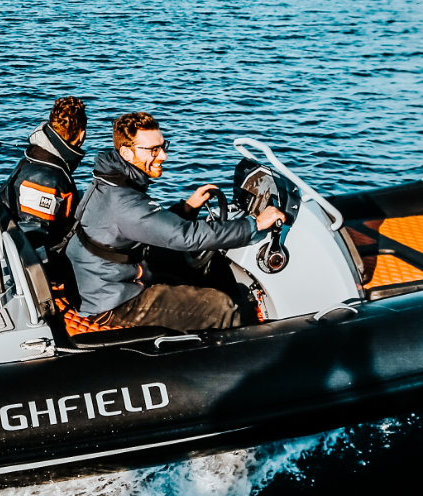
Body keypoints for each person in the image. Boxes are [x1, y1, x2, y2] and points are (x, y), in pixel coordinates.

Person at [65, 112, 284, 332]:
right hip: (111, 301)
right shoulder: (124, 200)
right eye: (153, 150)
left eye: (163, 146)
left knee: (189, 272)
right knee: (222, 308)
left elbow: (146, 224)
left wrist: (187, 208)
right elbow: (186, 237)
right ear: (126, 153)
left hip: (101, 281)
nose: (163, 156)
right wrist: (253, 225)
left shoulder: (109, 181)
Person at [0, 97, 88, 251]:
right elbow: (35, 241)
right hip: (47, 258)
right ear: (81, 135)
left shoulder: (37, 157)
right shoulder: (45, 180)